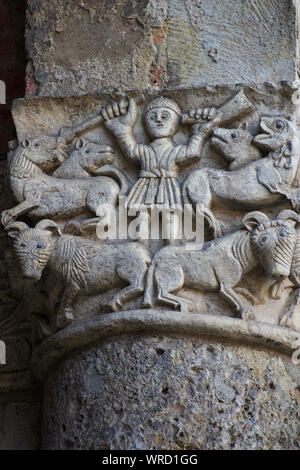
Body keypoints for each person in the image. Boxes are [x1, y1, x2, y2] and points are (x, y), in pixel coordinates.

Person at [102, 96, 216, 243]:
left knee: (170, 218)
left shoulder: (175, 151)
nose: (158, 120)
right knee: (141, 219)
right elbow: (131, 151)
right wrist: (122, 131)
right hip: (144, 187)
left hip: (168, 187)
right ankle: (141, 248)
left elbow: (192, 153)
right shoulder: (144, 150)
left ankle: (171, 249)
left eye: (165, 116)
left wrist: (199, 134)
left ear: (176, 124)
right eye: (152, 117)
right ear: (144, 124)